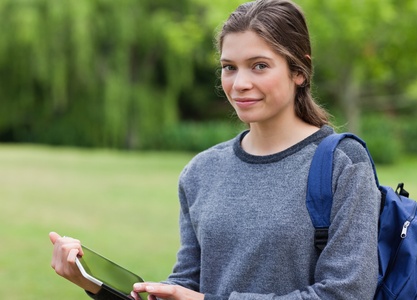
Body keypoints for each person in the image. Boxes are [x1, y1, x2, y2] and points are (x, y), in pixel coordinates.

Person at [49, 0, 381, 299]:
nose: (239, 84)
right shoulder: (201, 171)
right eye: (229, 67)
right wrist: (94, 284)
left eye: (259, 65)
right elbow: (186, 284)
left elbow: (346, 294)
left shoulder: (343, 163)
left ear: (298, 70)